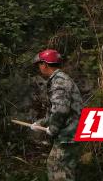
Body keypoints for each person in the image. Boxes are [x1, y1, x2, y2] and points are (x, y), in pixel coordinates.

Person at [30, 49, 83, 181]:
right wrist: (41, 123)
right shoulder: (60, 79)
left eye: (39, 64)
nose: (39, 67)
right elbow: (58, 110)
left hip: (68, 135)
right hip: (70, 133)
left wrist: (52, 129)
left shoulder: (59, 82)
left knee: (59, 171)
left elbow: (61, 110)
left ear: (45, 65)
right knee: (56, 167)